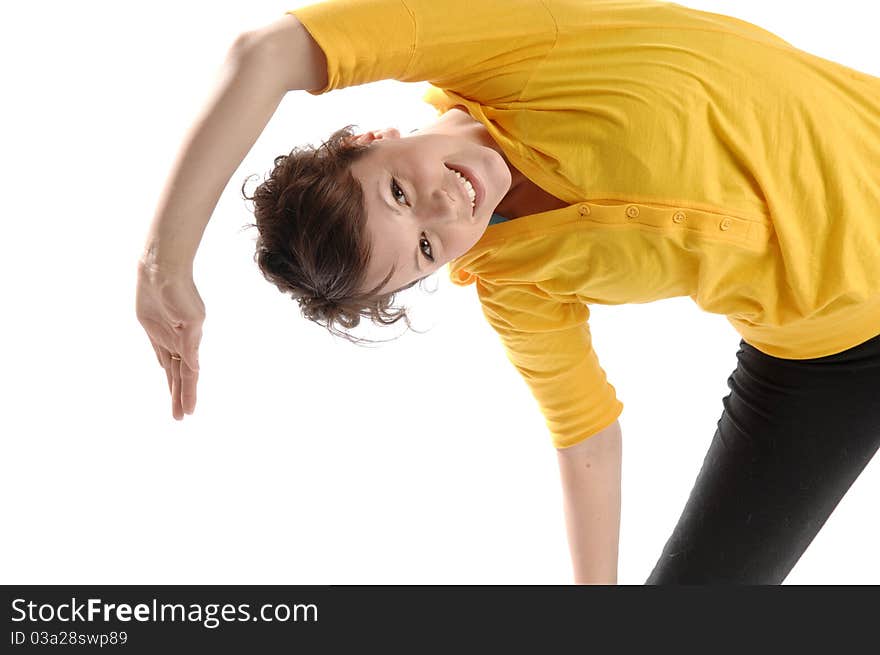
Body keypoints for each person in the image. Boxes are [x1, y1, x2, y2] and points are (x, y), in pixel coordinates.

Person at [136, 0, 880, 584]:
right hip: (827, 361)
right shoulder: (511, 276)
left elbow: (267, 51)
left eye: (398, 191)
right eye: (425, 250)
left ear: (371, 137)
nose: (446, 209)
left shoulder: (518, 45)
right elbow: (585, 436)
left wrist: (163, 262)